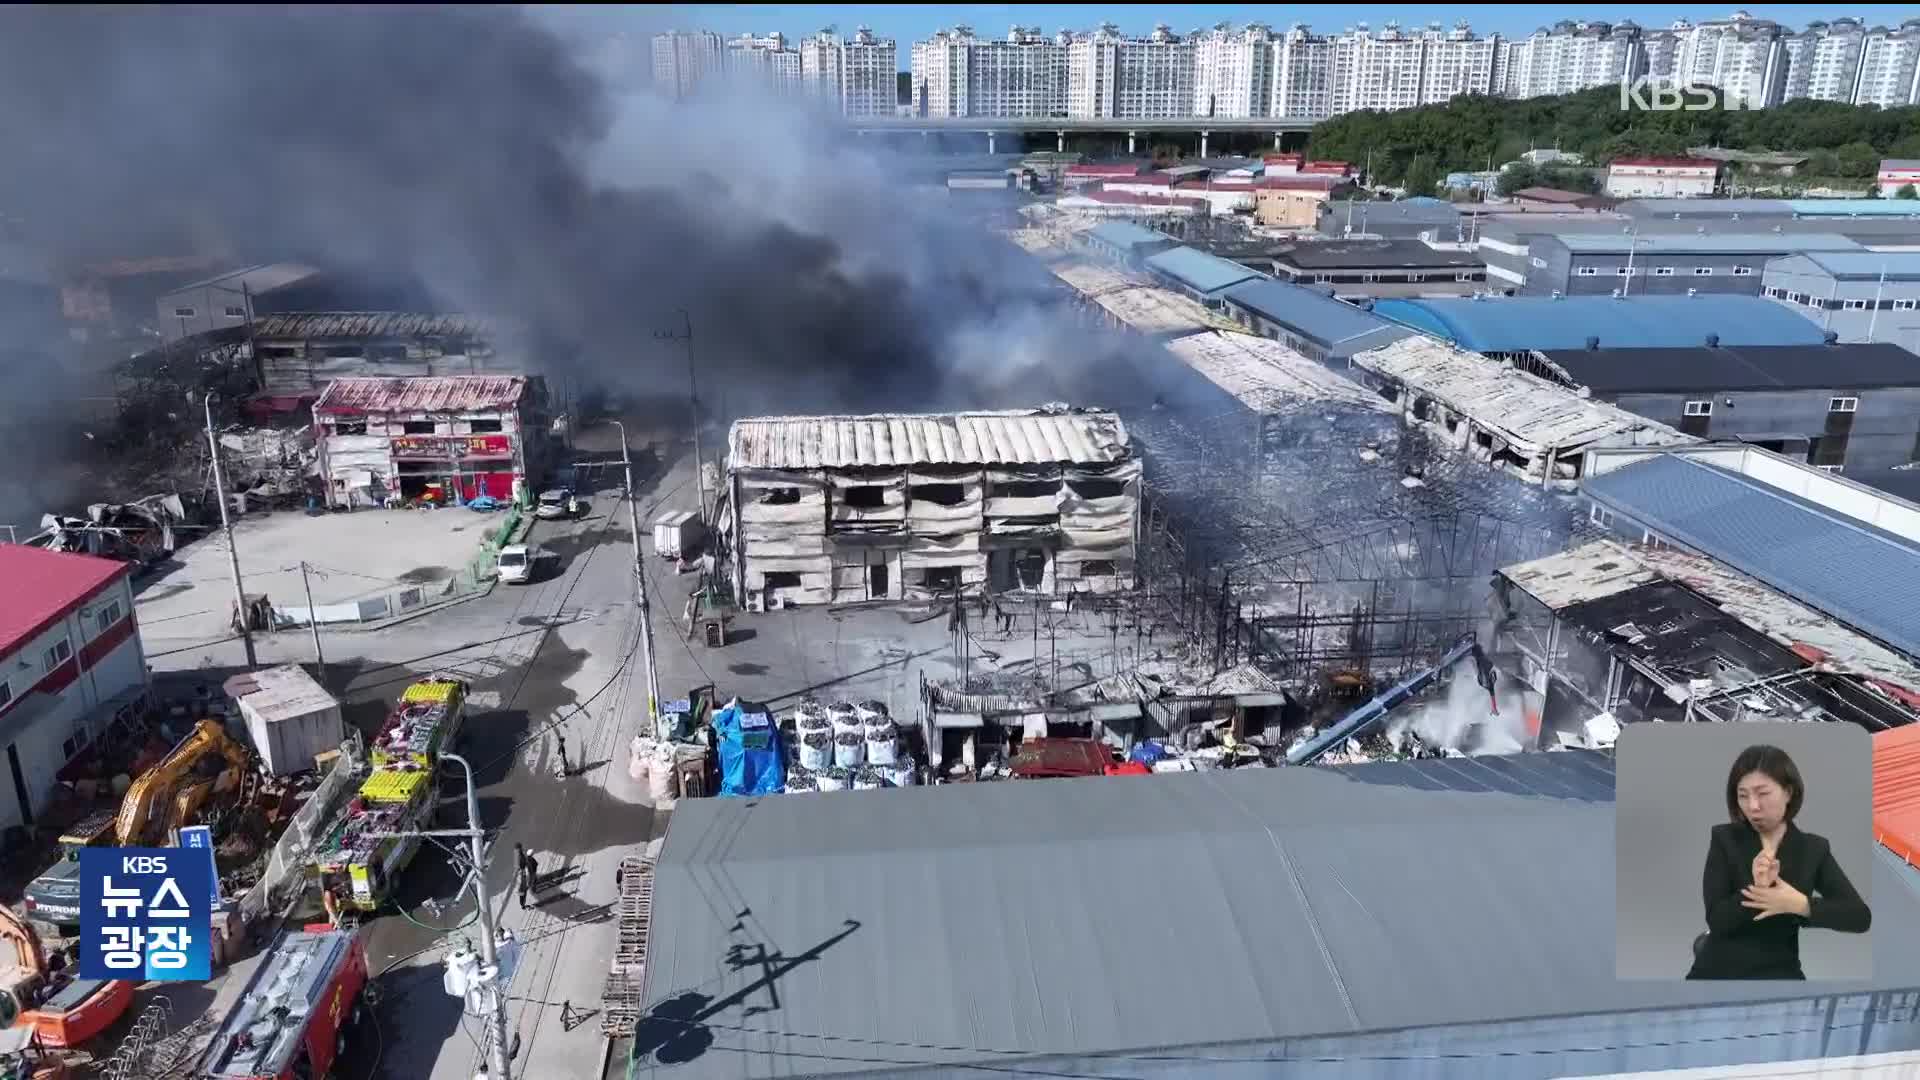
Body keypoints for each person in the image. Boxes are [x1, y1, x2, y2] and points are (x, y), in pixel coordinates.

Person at [1686, 744, 1872, 980]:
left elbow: (1859, 917)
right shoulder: (1725, 839)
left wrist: (1800, 904)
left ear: (1788, 792)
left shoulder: (1813, 849)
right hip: (1719, 968)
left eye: (1762, 794)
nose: (1753, 806)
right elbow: (1717, 920)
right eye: (1743, 795)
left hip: (1779, 970)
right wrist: (1756, 890)